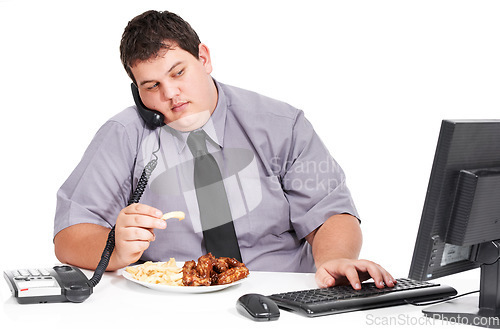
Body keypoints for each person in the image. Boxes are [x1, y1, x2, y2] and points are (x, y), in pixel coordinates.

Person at [53, 10, 395, 290]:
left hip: (280, 292)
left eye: (178, 72)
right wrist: (114, 248)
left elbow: (330, 213)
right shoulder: (125, 135)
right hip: (173, 303)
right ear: (137, 92)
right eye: (152, 85)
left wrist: (333, 259)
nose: (171, 94)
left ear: (203, 58)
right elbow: (70, 234)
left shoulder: (280, 124)